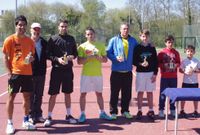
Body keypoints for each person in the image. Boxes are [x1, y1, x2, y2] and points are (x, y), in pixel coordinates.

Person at [2, 15, 36, 134]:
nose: (21, 27)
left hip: (28, 74)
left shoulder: (30, 41)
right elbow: (5, 57)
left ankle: (26, 120)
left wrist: (30, 59)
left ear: (26, 26)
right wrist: (9, 72)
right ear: (16, 26)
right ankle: (10, 123)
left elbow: (32, 56)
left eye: (23, 25)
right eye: (19, 25)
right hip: (15, 74)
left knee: (27, 97)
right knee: (11, 97)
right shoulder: (9, 40)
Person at [43, 19, 78, 127]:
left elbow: (75, 53)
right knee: (53, 94)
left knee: (67, 93)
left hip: (68, 71)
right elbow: (47, 54)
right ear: (58, 27)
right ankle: (49, 116)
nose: (64, 28)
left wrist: (72, 56)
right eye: (62, 26)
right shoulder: (53, 39)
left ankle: (68, 115)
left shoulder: (71, 39)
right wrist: (57, 59)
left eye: (65, 26)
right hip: (56, 71)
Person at [77, 27, 112, 123]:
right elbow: (79, 61)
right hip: (86, 74)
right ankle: (82, 114)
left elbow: (105, 60)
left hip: (97, 74)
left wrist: (98, 58)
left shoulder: (100, 46)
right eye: (88, 34)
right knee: (83, 94)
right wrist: (88, 58)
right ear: (85, 35)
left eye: (91, 34)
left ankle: (102, 112)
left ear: (94, 34)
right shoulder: (82, 46)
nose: (90, 36)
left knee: (99, 94)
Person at [106, 22, 138, 120]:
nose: (125, 30)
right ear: (120, 30)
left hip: (128, 72)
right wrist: (115, 58)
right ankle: (113, 112)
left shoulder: (133, 41)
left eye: (127, 29)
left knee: (127, 94)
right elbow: (108, 52)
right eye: (124, 29)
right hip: (116, 72)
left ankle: (125, 111)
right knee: (114, 93)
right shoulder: (114, 40)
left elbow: (138, 52)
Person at [133, 29, 158, 120]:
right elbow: (134, 60)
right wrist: (140, 64)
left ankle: (151, 110)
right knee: (140, 92)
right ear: (140, 37)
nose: (145, 38)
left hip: (150, 73)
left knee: (149, 92)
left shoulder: (152, 48)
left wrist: (155, 74)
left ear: (149, 37)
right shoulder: (137, 48)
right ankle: (139, 110)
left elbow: (155, 62)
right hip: (140, 73)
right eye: (143, 36)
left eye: (146, 36)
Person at [29, 22, 48, 124]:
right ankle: (31, 115)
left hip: (41, 73)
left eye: (38, 29)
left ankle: (39, 114)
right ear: (30, 30)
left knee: (39, 95)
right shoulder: (27, 41)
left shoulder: (44, 42)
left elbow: (49, 55)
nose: (36, 31)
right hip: (30, 73)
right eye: (34, 29)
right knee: (31, 95)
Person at [157, 35, 181, 117]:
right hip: (164, 77)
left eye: (171, 42)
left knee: (173, 93)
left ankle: (172, 109)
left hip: (173, 77)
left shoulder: (176, 52)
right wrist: (164, 65)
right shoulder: (161, 53)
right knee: (163, 93)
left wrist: (175, 65)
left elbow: (178, 62)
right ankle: (161, 110)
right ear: (165, 43)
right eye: (168, 42)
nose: (170, 44)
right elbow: (158, 63)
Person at [179, 45, 200, 118]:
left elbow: (199, 70)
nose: (190, 53)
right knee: (183, 97)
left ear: (194, 52)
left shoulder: (197, 61)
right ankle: (182, 110)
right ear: (186, 52)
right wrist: (185, 71)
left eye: (191, 51)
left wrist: (194, 71)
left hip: (194, 82)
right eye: (188, 51)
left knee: (196, 97)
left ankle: (196, 110)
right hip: (186, 82)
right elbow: (180, 70)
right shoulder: (184, 61)